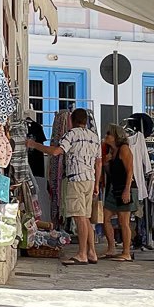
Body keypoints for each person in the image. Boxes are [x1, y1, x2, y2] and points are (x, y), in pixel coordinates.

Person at [58, 109, 101, 264]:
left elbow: (58, 151)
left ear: (72, 120)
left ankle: (82, 254)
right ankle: (92, 253)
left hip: (76, 179)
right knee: (87, 218)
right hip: (89, 179)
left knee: (80, 217)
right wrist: (97, 183)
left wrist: (35, 145)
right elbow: (99, 162)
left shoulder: (71, 135)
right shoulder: (94, 137)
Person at [100, 124, 136, 260]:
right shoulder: (111, 151)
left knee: (123, 221)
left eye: (109, 134)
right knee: (105, 218)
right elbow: (110, 173)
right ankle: (111, 248)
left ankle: (126, 252)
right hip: (113, 188)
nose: (106, 136)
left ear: (115, 136)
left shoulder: (124, 149)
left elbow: (130, 170)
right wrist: (106, 164)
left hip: (123, 187)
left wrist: (127, 190)